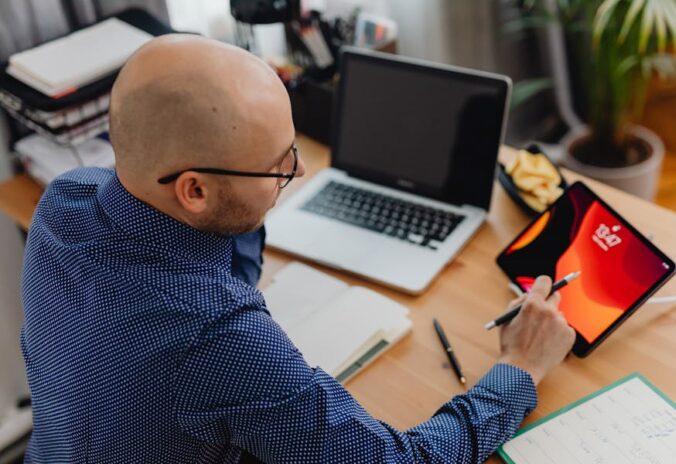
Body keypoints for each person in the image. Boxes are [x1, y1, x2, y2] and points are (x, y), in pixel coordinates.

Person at [20, 34, 576, 463]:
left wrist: (250, 189)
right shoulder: (215, 335)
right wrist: (519, 367)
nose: (301, 169)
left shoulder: (66, 200)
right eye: (277, 164)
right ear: (194, 190)